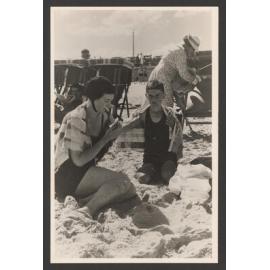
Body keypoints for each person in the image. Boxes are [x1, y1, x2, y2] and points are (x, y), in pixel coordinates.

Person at [54, 76, 137, 218]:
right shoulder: (76, 118)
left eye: (111, 101)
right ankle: (88, 209)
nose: (110, 105)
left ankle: (87, 200)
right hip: (67, 174)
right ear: (92, 98)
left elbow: (119, 138)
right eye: (106, 101)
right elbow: (78, 161)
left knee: (130, 190)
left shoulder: (104, 115)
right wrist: (106, 139)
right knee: (122, 182)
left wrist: (131, 125)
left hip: (86, 169)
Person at [119, 80, 183, 185]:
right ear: (146, 96)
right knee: (143, 178)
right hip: (150, 159)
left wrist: (173, 124)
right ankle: (149, 172)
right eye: (151, 96)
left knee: (167, 176)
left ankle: (161, 173)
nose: (154, 99)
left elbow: (179, 136)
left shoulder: (169, 114)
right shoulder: (143, 115)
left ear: (163, 95)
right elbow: (127, 127)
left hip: (167, 157)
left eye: (157, 95)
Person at [147, 35, 202, 109]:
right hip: (163, 77)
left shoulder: (178, 48)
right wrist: (195, 79)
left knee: (157, 102)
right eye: (193, 50)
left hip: (158, 75)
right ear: (189, 46)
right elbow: (184, 74)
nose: (192, 52)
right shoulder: (181, 53)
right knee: (167, 104)